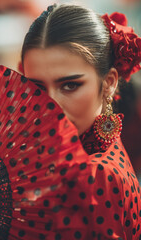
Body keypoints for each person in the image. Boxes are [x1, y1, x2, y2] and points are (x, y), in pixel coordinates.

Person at [21, 3, 141, 239]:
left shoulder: (95, 174)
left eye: (70, 85)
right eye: (37, 88)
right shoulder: (80, 154)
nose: (50, 105)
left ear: (108, 82)